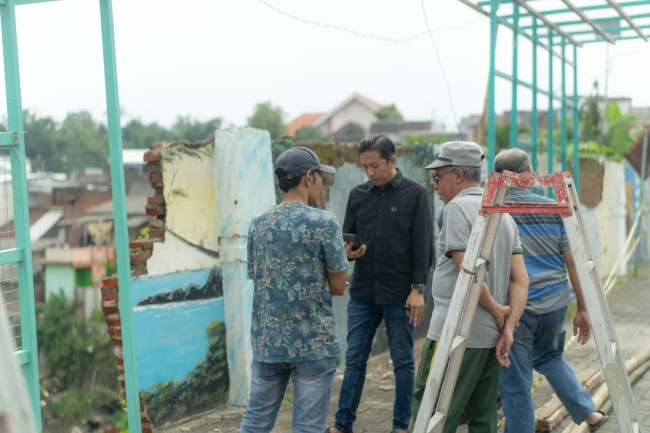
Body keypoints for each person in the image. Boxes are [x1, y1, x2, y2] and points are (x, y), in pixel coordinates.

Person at [411, 141, 529, 433]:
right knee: (482, 418)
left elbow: (468, 271)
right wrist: (508, 326)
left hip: (454, 335)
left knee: (433, 413)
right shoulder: (502, 213)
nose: (435, 184)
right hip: (490, 337)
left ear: (459, 175)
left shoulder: (456, 209)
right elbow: (520, 280)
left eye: (438, 177)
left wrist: (497, 311)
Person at [494, 148, 608, 432]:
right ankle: (588, 412)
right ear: (530, 174)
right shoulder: (553, 208)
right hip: (556, 304)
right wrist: (582, 308)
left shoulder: (496, 213)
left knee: (516, 382)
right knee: (550, 357)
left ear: (498, 178)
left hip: (517, 310)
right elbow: (573, 262)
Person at [327, 134, 434, 433]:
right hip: (363, 293)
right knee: (355, 360)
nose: (370, 172)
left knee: (402, 362)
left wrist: (418, 289)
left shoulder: (415, 195)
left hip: (401, 294)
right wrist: (350, 253)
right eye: (365, 167)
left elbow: (423, 248)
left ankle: (401, 427)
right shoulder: (358, 195)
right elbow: (347, 238)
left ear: (392, 161)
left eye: (375, 165)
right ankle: (342, 425)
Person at [241, 147, 349, 433]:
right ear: (309, 178)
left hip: (268, 344)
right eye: (320, 177)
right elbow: (338, 286)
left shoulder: (258, 224)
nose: (321, 184)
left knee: (254, 423)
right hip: (313, 343)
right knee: (308, 427)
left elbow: (258, 276)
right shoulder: (324, 222)